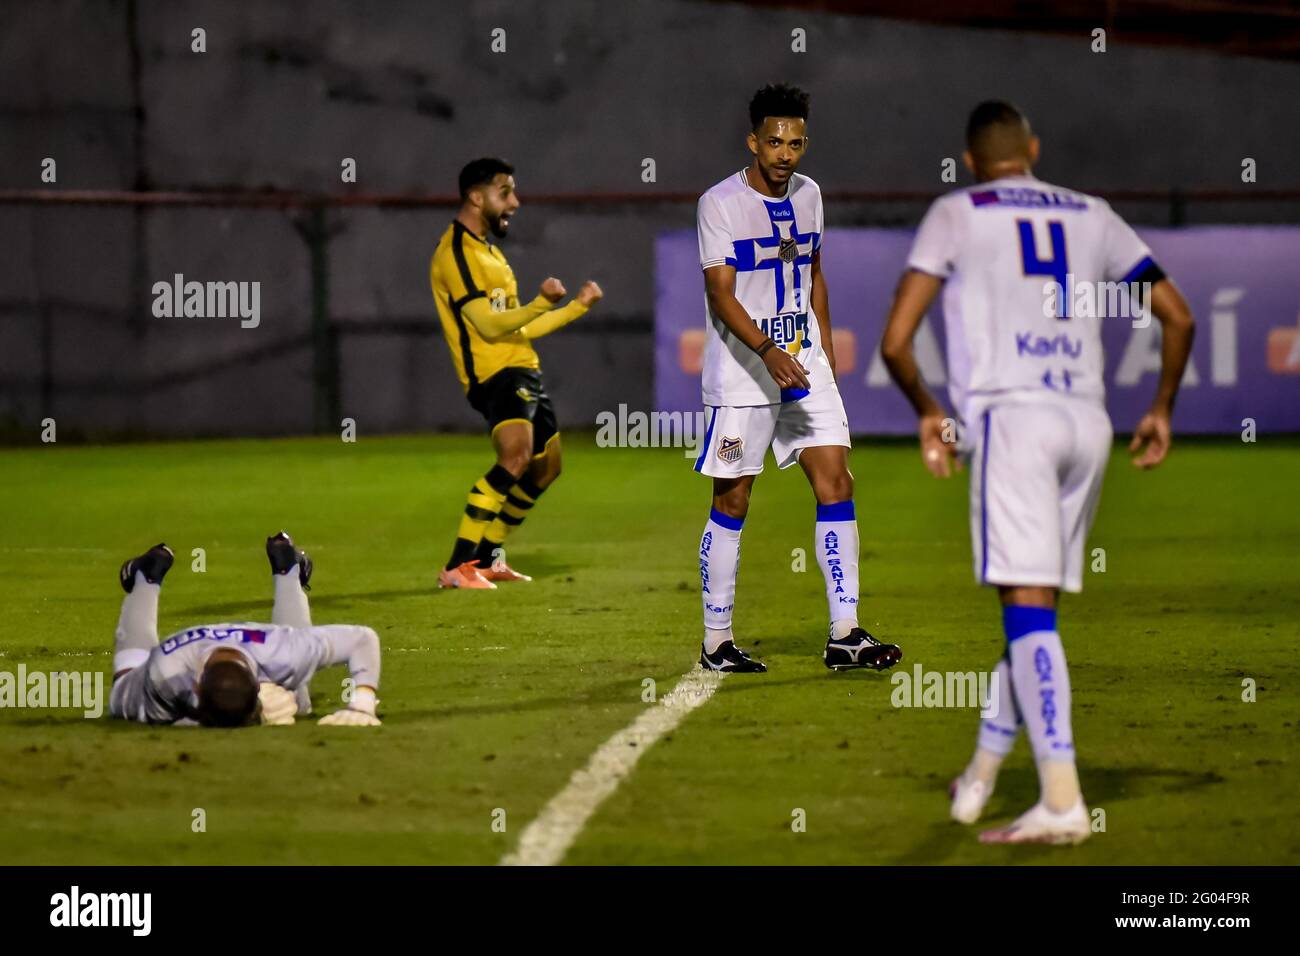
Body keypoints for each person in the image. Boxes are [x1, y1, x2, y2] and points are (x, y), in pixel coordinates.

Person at [880, 101, 1195, 843]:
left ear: (969, 160)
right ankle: (983, 777)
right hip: (1086, 421)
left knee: (1025, 609)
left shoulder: (957, 211)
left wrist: (929, 411)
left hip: (1012, 420)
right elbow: (1177, 315)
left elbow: (897, 338)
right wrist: (1162, 409)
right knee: (1034, 615)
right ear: (1034, 149)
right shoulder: (1093, 212)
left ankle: (1061, 797)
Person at [693, 83, 902, 674]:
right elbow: (719, 294)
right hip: (743, 374)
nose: (786, 154)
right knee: (733, 498)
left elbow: (815, 273)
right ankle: (716, 642)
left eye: (796, 143)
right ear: (753, 141)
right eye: (776, 142)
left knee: (836, 481)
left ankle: (845, 633)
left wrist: (824, 351)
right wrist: (765, 350)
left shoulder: (810, 196)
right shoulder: (719, 204)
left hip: (802, 363)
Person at [429, 157, 604, 589]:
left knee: (547, 467)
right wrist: (543, 302)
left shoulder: (490, 254)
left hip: (522, 368)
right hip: (494, 375)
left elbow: (518, 326)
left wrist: (574, 308)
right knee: (516, 456)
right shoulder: (457, 252)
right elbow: (488, 326)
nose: (515, 201)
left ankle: (488, 558)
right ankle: (456, 566)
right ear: (475, 196)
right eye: (505, 191)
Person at [109, 532, 383, 727]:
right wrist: (260, 712)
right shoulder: (165, 675)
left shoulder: (282, 652)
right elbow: (171, 721)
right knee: (123, 685)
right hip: (186, 652)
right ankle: (147, 576)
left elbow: (363, 639)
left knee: (295, 684)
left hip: (261, 647)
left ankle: (288, 567)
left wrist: (363, 705)